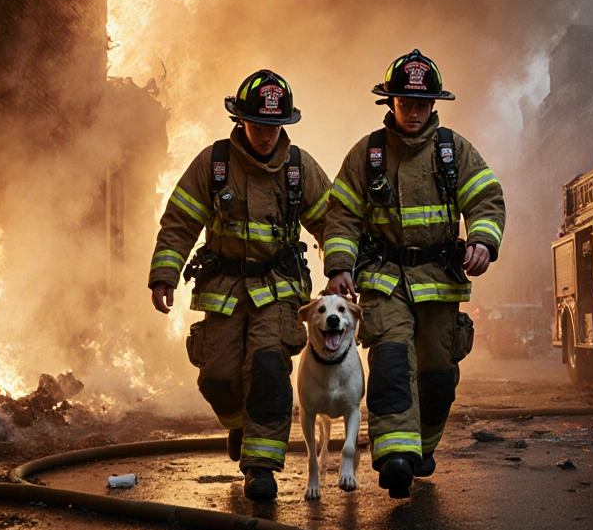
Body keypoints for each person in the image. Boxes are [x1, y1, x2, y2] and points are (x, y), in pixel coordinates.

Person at [323, 49, 506, 498]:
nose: (413, 112)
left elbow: (485, 198)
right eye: (405, 103)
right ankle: (394, 457)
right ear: (390, 103)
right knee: (389, 364)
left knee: (438, 377)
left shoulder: (453, 151)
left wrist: (483, 240)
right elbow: (342, 214)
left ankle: (420, 447)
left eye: (421, 105)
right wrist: (340, 266)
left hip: (440, 281)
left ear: (433, 105)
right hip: (384, 280)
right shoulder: (367, 155)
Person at [148, 70, 331, 501]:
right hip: (224, 288)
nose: (267, 136)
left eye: (274, 126)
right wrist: (163, 274)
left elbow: (332, 220)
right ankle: (237, 424)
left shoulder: (298, 169)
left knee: (268, 371)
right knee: (216, 379)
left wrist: (341, 268)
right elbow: (179, 222)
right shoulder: (212, 166)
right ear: (241, 120)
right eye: (259, 125)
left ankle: (260, 467)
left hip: (280, 289)